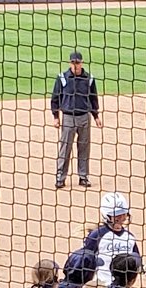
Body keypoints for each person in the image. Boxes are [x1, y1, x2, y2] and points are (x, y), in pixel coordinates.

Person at [50, 50, 101, 189]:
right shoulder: (62, 78)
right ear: (70, 63)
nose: (75, 65)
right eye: (73, 63)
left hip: (84, 117)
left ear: (81, 63)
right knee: (65, 148)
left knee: (84, 148)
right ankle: (60, 177)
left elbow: (93, 98)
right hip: (68, 117)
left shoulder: (89, 79)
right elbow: (55, 98)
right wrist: (56, 117)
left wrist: (96, 116)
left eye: (77, 63)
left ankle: (83, 177)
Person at [82, 192, 143, 287]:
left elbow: (135, 259)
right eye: (117, 214)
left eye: (123, 214)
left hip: (123, 286)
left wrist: (142, 268)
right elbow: (85, 260)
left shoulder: (129, 237)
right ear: (107, 215)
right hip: (101, 287)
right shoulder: (97, 235)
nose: (121, 217)